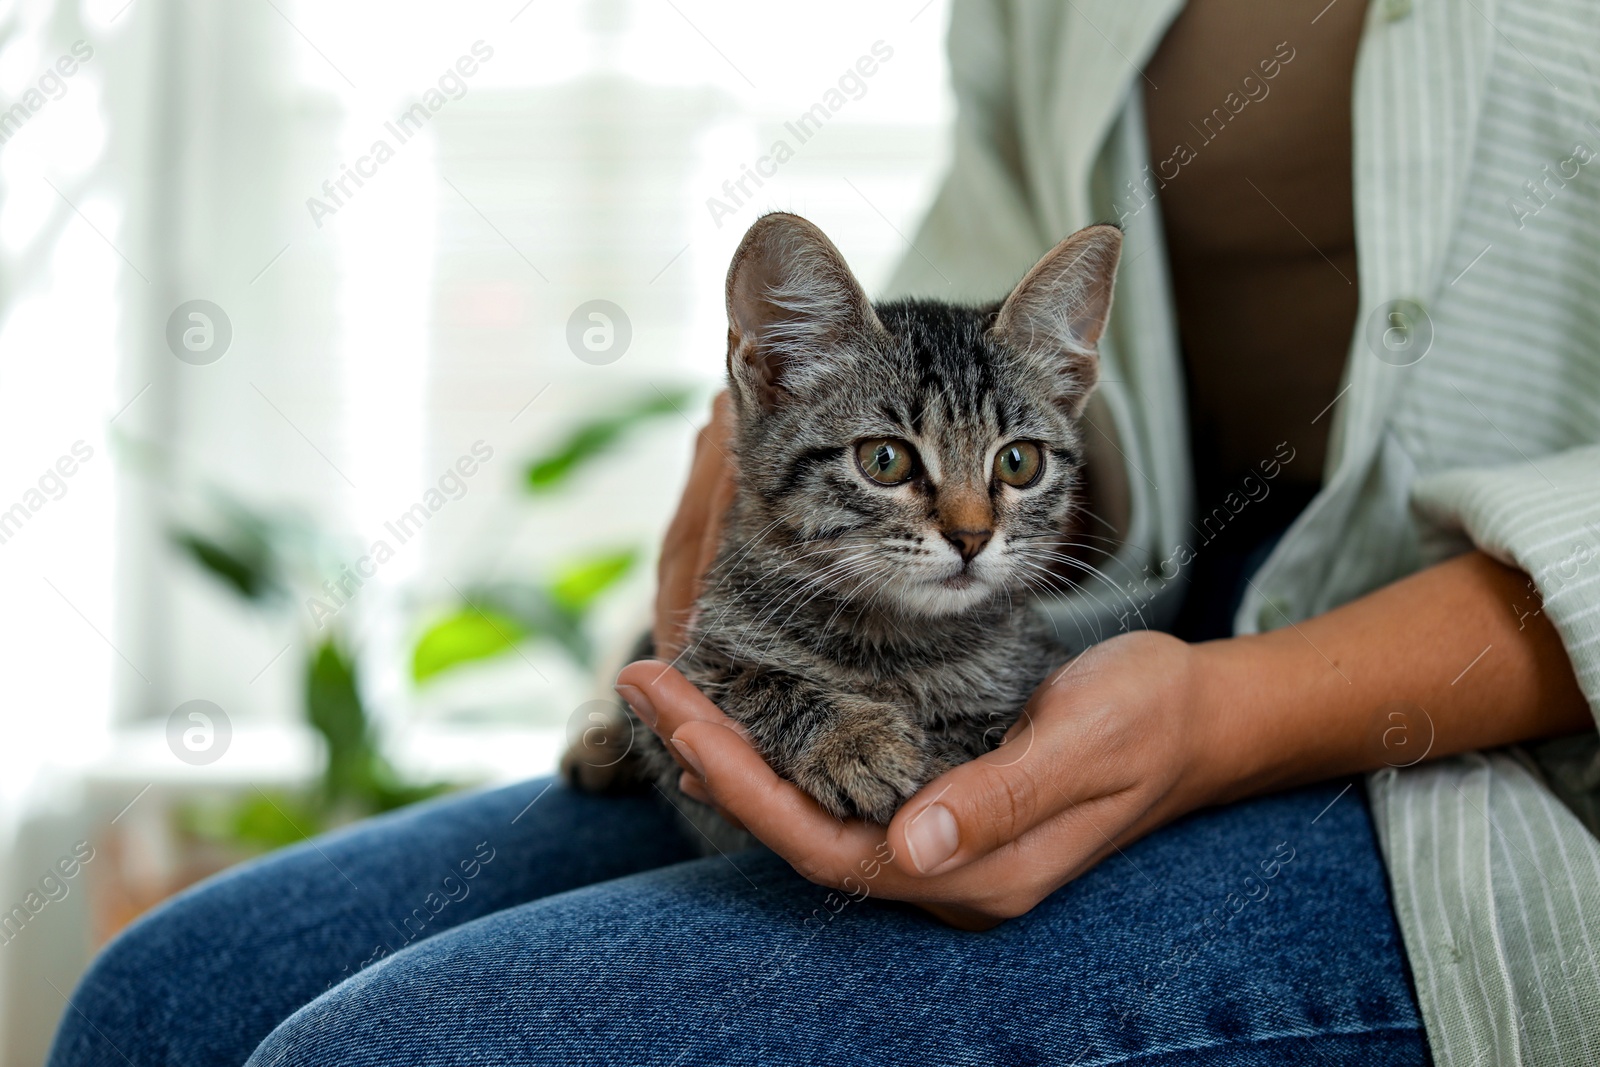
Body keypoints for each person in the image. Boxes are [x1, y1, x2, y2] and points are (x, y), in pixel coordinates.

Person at [49, 2, 1600, 1064]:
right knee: (159, 1000)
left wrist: (1224, 716)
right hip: (1103, 634)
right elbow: (991, 326)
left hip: (1500, 780)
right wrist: (761, 476)